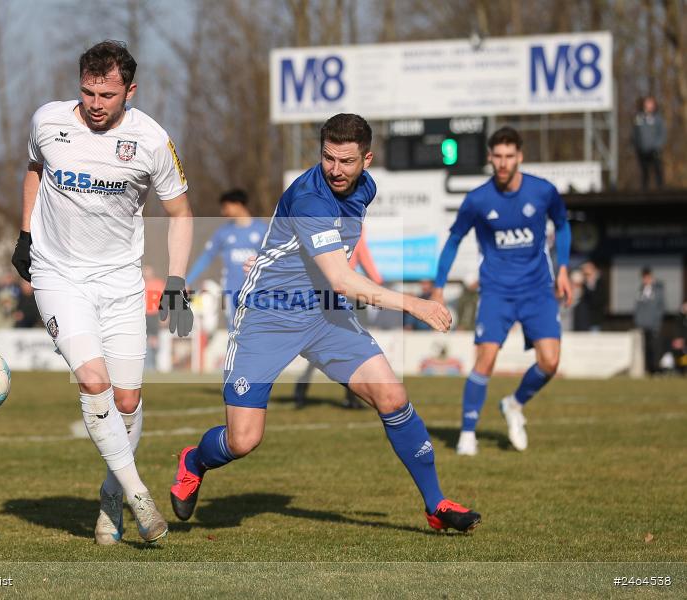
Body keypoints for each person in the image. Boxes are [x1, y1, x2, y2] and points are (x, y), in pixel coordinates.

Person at [170, 113, 480, 533]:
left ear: (367, 160)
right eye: (328, 158)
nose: (335, 169)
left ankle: (435, 503)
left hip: (325, 315)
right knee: (243, 440)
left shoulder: (365, 189)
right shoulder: (310, 199)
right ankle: (194, 461)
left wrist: (277, 256)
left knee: (392, 396)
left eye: (346, 161)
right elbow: (341, 279)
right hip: (269, 317)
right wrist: (414, 304)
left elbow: (332, 254)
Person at [10, 40, 193, 545]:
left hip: (121, 281)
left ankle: (111, 492)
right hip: (58, 276)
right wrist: (25, 234)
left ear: (130, 92)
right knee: (94, 383)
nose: (95, 104)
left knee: (128, 399)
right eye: (87, 92)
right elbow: (35, 170)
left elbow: (180, 214)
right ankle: (139, 497)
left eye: (107, 95)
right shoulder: (47, 121)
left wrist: (176, 282)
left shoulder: (152, 140)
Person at [430, 126, 572, 456]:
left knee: (550, 362)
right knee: (485, 360)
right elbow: (454, 240)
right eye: (498, 156)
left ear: (520, 156)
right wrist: (438, 287)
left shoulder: (543, 191)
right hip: (496, 292)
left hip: (537, 289)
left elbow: (563, 225)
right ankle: (467, 435)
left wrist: (563, 268)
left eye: (510, 156)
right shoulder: (478, 200)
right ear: (490, 158)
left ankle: (514, 403)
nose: (504, 162)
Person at [294, 227, 381, 409]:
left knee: (323, 341)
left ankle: (302, 389)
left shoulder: (323, 227)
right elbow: (364, 257)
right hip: (346, 291)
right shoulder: (353, 228)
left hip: (325, 290)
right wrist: (378, 283)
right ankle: (350, 397)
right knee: (353, 343)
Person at [185, 189, 267, 329]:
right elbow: (206, 257)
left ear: (237, 204)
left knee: (258, 327)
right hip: (231, 288)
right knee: (234, 327)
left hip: (258, 288)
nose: (223, 212)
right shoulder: (223, 233)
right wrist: (188, 281)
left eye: (226, 207)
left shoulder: (262, 229)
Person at [634, 266, 665, 375]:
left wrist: (657, 323)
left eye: (647, 277)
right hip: (643, 324)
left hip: (654, 324)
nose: (645, 280)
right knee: (645, 347)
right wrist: (638, 322)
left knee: (655, 347)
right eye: (644, 278)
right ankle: (649, 368)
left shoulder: (658, 289)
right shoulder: (640, 290)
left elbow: (660, 308)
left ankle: (656, 368)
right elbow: (637, 308)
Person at [632, 95, 665, 190]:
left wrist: (657, 145)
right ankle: (644, 190)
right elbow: (635, 133)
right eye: (647, 103)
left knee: (657, 169)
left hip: (654, 150)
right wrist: (636, 145)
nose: (649, 105)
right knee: (644, 170)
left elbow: (662, 133)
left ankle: (660, 189)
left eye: (651, 103)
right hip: (642, 149)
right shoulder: (639, 117)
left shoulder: (658, 118)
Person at [573, 261, 605, 332]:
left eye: (588, 274)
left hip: (594, 321)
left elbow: (598, 301)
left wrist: (590, 283)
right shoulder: (582, 284)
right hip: (580, 322)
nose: (587, 276)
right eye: (585, 274)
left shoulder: (600, 284)